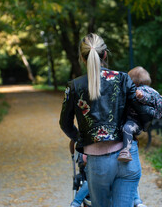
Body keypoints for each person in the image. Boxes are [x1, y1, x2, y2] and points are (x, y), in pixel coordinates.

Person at [60, 33, 155, 207]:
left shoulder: (74, 86)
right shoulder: (123, 78)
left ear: (82, 58)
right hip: (128, 158)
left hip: (98, 163)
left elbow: (65, 124)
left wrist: (81, 139)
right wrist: (133, 131)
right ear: (105, 55)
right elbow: (144, 114)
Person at [118, 66, 162, 162]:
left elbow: (149, 97)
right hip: (131, 118)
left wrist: (141, 96)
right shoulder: (135, 90)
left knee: (127, 128)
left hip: (137, 121)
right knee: (125, 128)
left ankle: (126, 151)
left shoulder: (145, 90)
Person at [70, 153, 147, 207]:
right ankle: (76, 203)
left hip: (115, 175)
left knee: (129, 183)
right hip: (96, 178)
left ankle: (137, 202)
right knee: (87, 184)